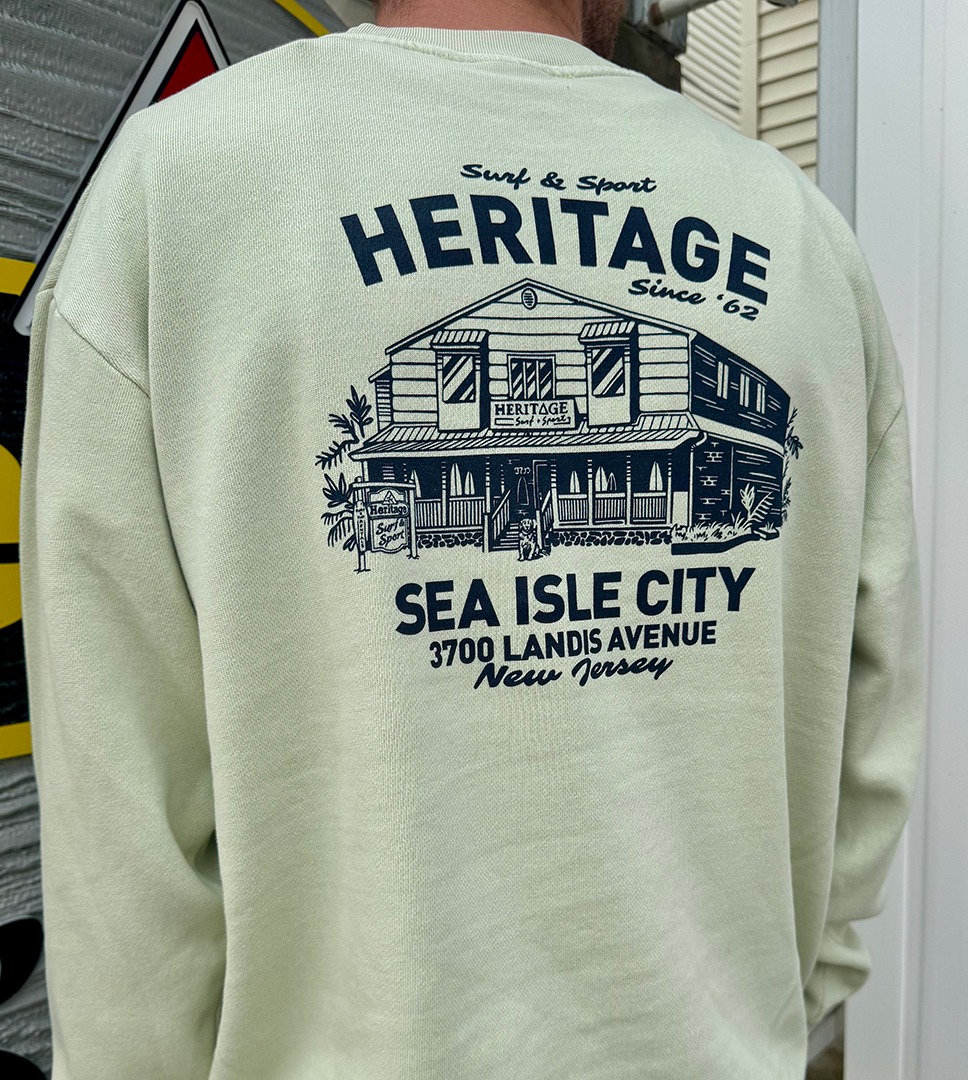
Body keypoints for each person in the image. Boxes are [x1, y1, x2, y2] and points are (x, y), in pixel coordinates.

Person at [18, 1, 926, 1077]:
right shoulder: (801, 234)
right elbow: (872, 745)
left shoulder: (174, 188)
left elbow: (119, 827)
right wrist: (785, 1004)